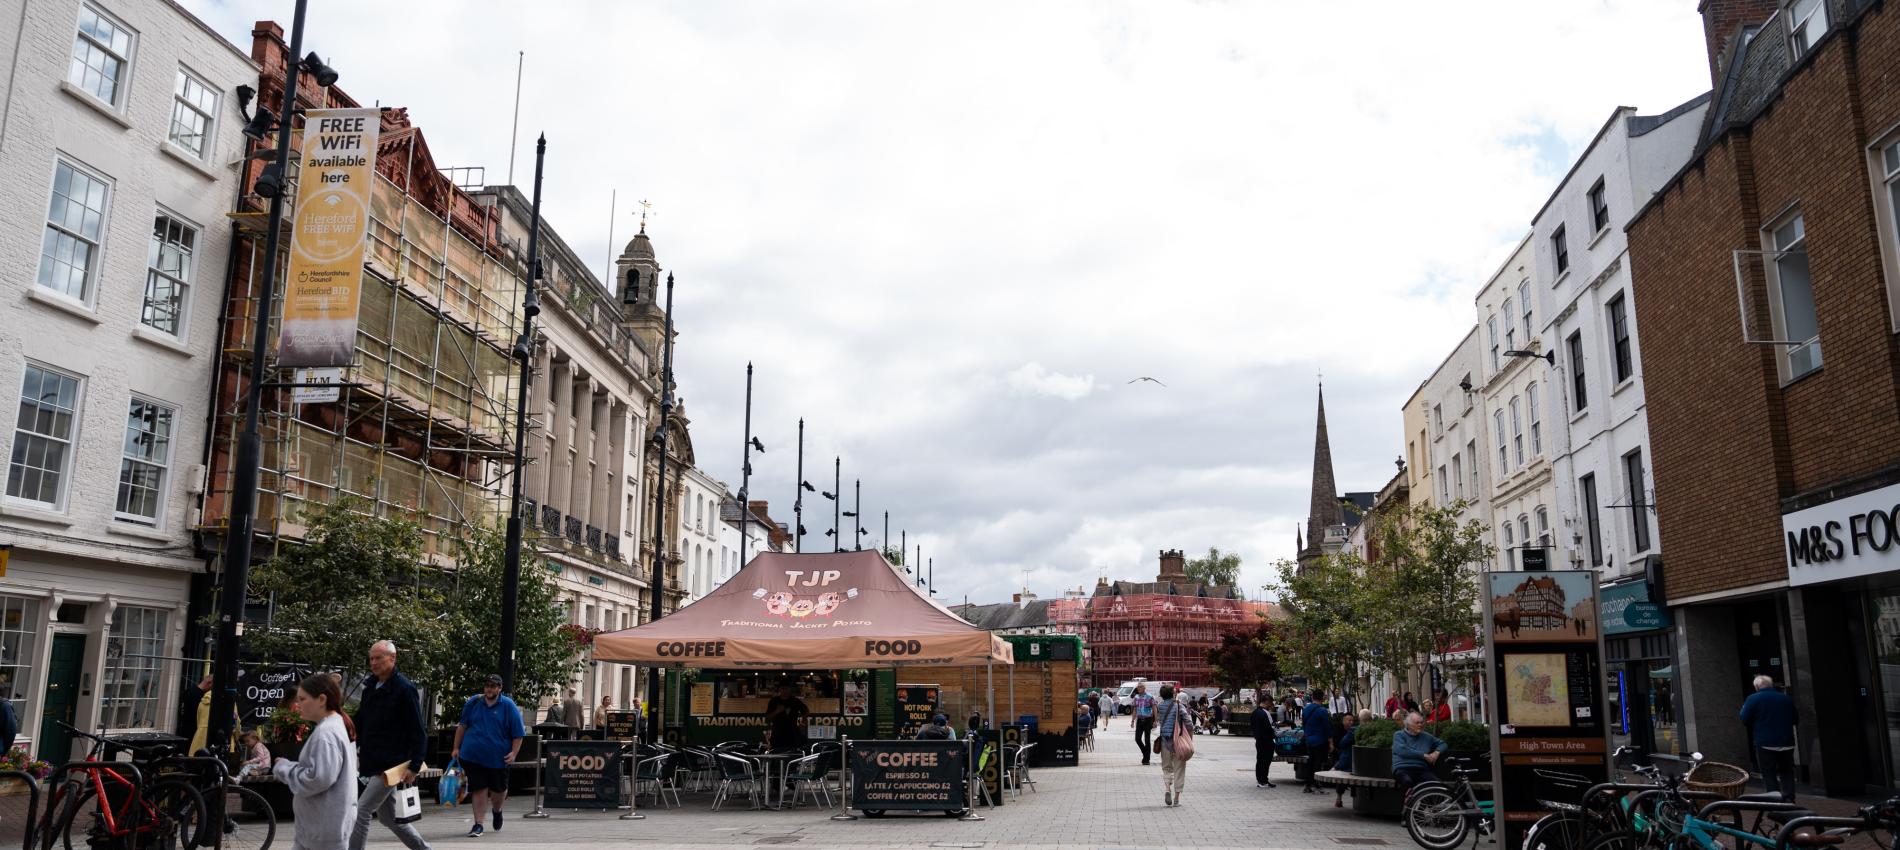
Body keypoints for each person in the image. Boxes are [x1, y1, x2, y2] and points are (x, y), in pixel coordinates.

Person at [351, 640, 431, 850]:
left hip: (392, 765)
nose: (374, 663)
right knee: (389, 818)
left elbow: (418, 730)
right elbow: (361, 720)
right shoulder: (370, 687)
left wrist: (414, 766)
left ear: (392, 659)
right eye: (371, 659)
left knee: (362, 810)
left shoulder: (405, 689)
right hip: (372, 759)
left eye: (378, 658)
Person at [272, 674, 357, 850]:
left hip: (322, 830)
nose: (298, 704)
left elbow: (317, 778)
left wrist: (284, 768)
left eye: (302, 699)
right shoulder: (336, 725)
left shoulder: (326, 733)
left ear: (321, 699)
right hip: (321, 828)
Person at [452, 674, 524, 837]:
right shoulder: (474, 702)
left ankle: (497, 810)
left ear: (500, 688)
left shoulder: (508, 705)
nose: (489, 689)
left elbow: (518, 734)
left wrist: (513, 753)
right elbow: (462, 726)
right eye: (487, 686)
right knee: (479, 789)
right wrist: (456, 747)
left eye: (493, 686)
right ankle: (478, 824)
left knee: (498, 790)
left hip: (499, 758)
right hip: (473, 755)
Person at [1740, 675, 1799, 801]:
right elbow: (1795, 719)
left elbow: (1745, 719)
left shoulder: (1753, 699)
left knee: (1769, 773)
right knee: (1787, 772)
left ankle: (1774, 800)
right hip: (1786, 742)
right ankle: (1789, 799)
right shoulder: (1786, 699)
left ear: (1756, 687)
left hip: (1765, 742)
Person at [1391, 712, 1449, 793]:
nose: (1420, 725)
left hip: (1421, 769)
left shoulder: (1426, 737)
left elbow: (1443, 744)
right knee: (1407, 782)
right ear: (1409, 725)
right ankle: (1407, 804)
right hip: (1402, 768)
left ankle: (1428, 805)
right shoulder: (1399, 735)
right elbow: (1402, 750)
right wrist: (1424, 755)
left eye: (1421, 722)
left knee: (1438, 786)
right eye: (1417, 723)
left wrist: (1436, 753)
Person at [1155, 684, 1190, 807]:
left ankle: (1167, 789)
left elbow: (1160, 720)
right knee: (1179, 769)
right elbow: (1188, 721)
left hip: (1165, 740)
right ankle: (1176, 799)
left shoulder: (1160, 706)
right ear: (1173, 693)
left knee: (1166, 768)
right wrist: (1189, 736)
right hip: (1178, 741)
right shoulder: (1178, 706)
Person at [1300, 690, 1331, 793]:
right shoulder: (1322, 711)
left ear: (1312, 697)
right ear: (1322, 698)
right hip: (1320, 740)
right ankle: (1318, 785)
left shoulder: (1306, 709)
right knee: (1319, 763)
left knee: (1311, 762)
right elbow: (1327, 727)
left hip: (1309, 740)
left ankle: (1308, 785)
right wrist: (1331, 742)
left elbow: (1303, 724)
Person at [765, 683, 810, 753]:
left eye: (787, 689)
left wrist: (803, 723)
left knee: (793, 753)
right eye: (783, 689)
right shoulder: (774, 701)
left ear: (790, 689)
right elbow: (767, 717)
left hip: (792, 732)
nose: (785, 691)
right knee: (776, 753)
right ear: (780, 690)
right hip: (778, 732)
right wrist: (777, 711)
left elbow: (806, 711)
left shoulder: (795, 700)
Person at [1330, 712, 1359, 807]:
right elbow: (1339, 743)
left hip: (1348, 758)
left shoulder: (1353, 731)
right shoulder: (1339, 730)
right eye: (1348, 720)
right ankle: (1339, 798)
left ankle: (1354, 799)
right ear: (1343, 721)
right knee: (1341, 778)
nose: (1351, 722)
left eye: (1352, 720)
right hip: (1341, 756)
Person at [1249, 698, 1277, 788]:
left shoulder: (1255, 712)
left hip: (1259, 740)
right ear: (1266, 702)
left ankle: (1260, 780)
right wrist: (1274, 734)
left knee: (1260, 760)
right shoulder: (1265, 713)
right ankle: (1263, 780)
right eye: (1271, 702)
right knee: (1266, 761)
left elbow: (1253, 726)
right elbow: (1270, 727)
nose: (1271, 704)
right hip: (1267, 740)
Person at [1131, 683, 1158, 765]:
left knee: (1147, 739)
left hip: (1148, 719)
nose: (1138, 688)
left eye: (1140, 687)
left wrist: (1155, 720)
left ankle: (1147, 759)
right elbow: (1135, 709)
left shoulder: (1150, 696)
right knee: (1137, 739)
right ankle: (1145, 753)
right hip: (1139, 719)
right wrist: (1132, 720)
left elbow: (1154, 708)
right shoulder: (1136, 697)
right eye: (1138, 687)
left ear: (1144, 688)